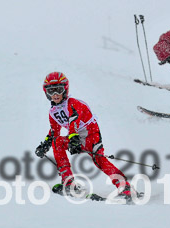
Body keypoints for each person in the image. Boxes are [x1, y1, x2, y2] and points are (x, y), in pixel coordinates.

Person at [34, 72, 133, 201]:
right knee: (56, 142)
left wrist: (73, 138)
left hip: (91, 134)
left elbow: (74, 120)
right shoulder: (53, 112)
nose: (55, 95)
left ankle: (125, 188)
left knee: (100, 160)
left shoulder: (73, 103)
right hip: (75, 136)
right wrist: (45, 144)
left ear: (65, 89)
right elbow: (54, 131)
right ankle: (68, 183)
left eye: (58, 90)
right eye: (51, 91)